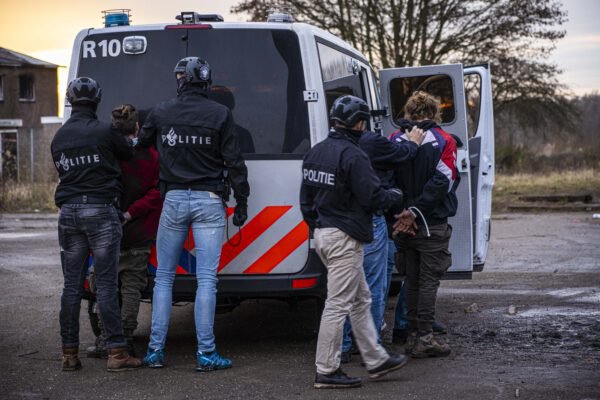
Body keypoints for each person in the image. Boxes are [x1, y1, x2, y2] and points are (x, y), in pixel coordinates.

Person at [137, 57, 249, 371]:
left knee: (163, 279)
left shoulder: (161, 111)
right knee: (207, 280)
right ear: (206, 82)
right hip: (209, 201)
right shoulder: (220, 114)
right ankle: (206, 353)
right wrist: (241, 203)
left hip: (173, 199)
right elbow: (235, 163)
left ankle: (155, 352)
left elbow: (140, 145)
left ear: (183, 80)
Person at [300, 95, 408, 389]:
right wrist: (395, 196)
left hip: (324, 234)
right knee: (337, 304)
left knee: (361, 299)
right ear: (359, 123)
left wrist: (319, 225)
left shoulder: (316, 152)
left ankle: (375, 358)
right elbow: (373, 198)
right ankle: (326, 369)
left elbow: (306, 200)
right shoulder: (354, 155)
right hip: (345, 239)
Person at [51, 77, 142, 372]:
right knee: (105, 284)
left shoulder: (59, 138)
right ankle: (117, 353)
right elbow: (128, 152)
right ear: (97, 100)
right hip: (101, 211)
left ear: (70, 100)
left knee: (71, 287)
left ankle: (69, 354)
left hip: (68, 213)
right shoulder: (105, 131)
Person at [340, 123, 426, 363]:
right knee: (373, 287)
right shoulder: (371, 141)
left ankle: (344, 345)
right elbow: (403, 155)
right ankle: (371, 348)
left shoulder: (330, 146)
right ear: (361, 122)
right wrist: (413, 142)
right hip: (371, 220)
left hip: (341, 221)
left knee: (345, 287)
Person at [86, 104, 162, 358]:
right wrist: (131, 213)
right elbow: (156, 192)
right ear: (137, 127)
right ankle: (126, 338)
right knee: (132, 287)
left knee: (102, 285)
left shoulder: (104, 154)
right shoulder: (150, 155)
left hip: (106, 228)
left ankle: (106, 338)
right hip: (139, 231)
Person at [389, 91, 460, 358]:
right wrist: (416, 212)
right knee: (429, 282)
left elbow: (387, 179)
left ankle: (411, 336)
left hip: (402, 225)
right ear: (435, 113)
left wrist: (402, 213)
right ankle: (425, 338)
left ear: (408, 113)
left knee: (412, 280)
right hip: (431, 224)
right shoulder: (444, 140)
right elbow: (444, 182)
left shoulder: (394, 139)